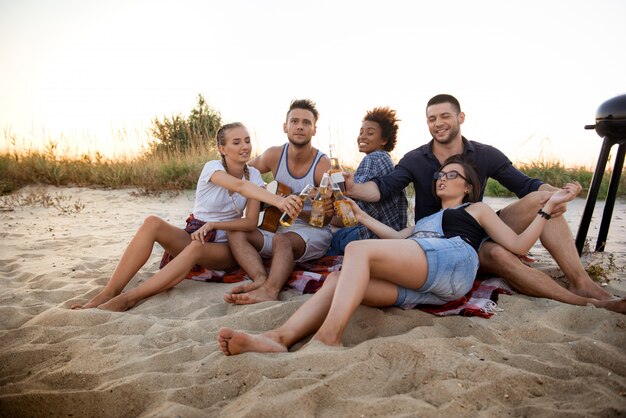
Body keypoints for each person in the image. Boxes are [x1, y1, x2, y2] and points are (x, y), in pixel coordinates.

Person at [217, 156, 624, 355]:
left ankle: (328, 338)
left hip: (453, 260)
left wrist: (543, 211)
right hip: (427, 281)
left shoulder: (475, 210)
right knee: (342, 277)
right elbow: (397, 237)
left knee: (357, 251)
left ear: (468, 187)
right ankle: (280, 337)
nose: (441, 178)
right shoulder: (429, 216)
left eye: (451, 175)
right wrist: (359, 214)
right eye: (439, 175)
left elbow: (517, 248)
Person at [343, 93, 623, 310]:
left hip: (480, 225)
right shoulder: (416, 159)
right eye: (431, 119)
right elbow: (383, 189)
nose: (438, 123)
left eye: (444, 116)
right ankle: (578, 301)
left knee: (543, 197)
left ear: (460, 117)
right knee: (499, 254)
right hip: (444, 242)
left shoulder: (485, 154)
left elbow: (524, 185)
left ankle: (581, 283)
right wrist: (353, 189)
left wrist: (560, 192)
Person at [70, 122, 303, 311]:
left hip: (224, 245)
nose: (244, 146)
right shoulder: (212, 168)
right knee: (153, 222)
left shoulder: (253, 175)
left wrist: (214, 224)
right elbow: (238, 187)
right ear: (223, 149)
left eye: (247, 141)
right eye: (236, 142)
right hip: (194, 231)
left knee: (196, 247)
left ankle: (130, 298)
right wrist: (279, 201)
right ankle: (109, 292)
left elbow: (250, 222)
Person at [224, 99, 334, 305]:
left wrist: (296, 210)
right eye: (294, 121)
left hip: (310, 231)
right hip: (275, 227)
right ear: (285, 127)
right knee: (236, 231)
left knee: (281, 241)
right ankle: (260, 278)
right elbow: (242, 174)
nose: (300, 126)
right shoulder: (274, 155)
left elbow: (327, 219)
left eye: (306, 123)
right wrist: (266, 195)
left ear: (314, 130)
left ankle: (270, 290)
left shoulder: (322, 165)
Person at [326, 106, 407, 256]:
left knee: (327, 239)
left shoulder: (373, 159)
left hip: (371, 236)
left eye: (370, 133)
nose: (362, 136)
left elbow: (350, 207)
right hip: (391, 233)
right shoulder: (386, 160)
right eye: (361, 132)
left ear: (383, 140)